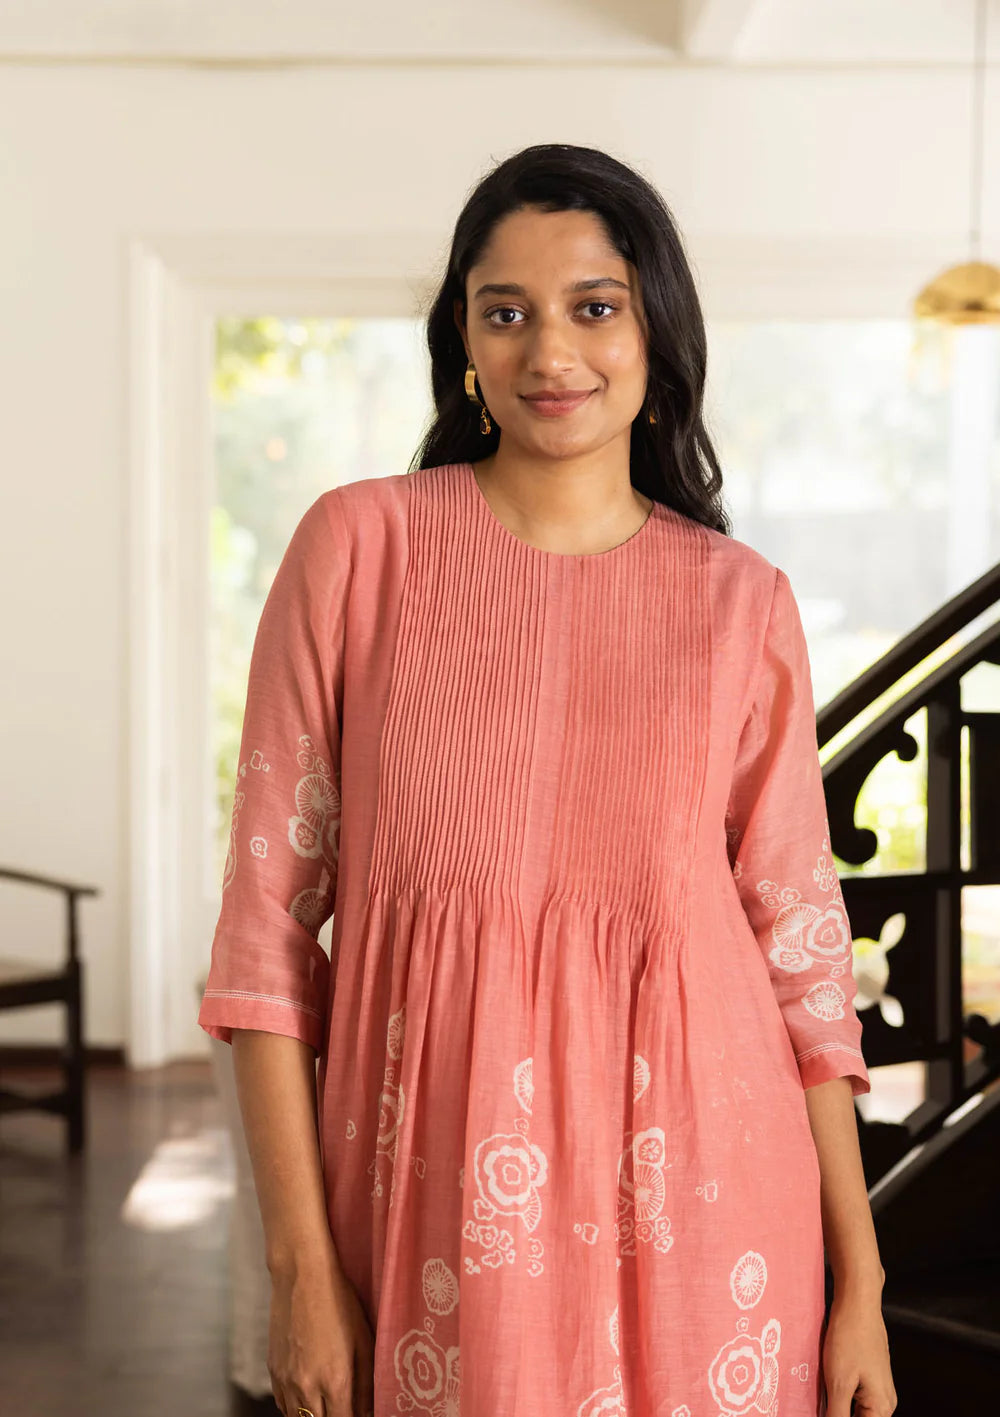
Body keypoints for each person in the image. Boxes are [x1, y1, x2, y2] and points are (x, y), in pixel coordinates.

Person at [198, 142, 897, 1417]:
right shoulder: (360, 552)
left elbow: (800, 960)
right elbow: (262, 948)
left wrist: (860, 1279)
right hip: (436, 1219)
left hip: (714, 1213)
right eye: (504, 312)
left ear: (655, 332)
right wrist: (301, 1271)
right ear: (463, 341)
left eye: (594, 306)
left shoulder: (742, 606)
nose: (548, 352)